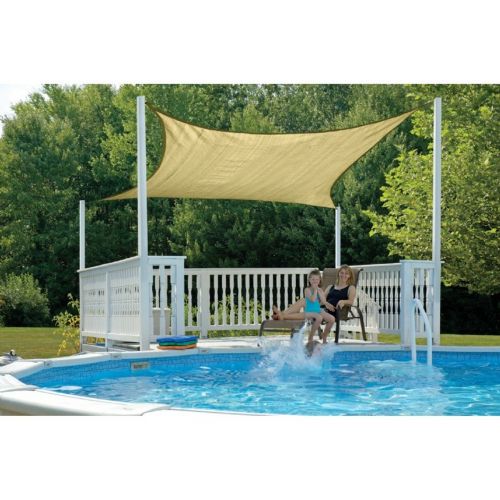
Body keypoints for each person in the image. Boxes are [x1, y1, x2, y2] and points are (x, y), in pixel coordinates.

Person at [272, 264, 357, 343]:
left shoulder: (351, 288)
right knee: (304, 301)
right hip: (322, 308)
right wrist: (318, 302)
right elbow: (322, 300)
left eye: (346, 273)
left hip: (334, 311)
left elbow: (351, 301)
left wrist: (343, 301)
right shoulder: (330, 287)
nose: (343, 275)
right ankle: (282, 314)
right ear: (338, 274)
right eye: (342, 273)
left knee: (307, 306)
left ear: (349, 276)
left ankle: (282, 314)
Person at [274, 269, 335, 346]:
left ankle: (324, 336)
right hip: (309, 311)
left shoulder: (320, 290)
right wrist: (315, 290)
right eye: (313, 279)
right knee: (319, 318)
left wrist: (328, 305)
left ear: (319, 280)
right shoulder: (307, 290)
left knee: (332, 319)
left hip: (318, 310)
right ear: (309, 280)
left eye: (317, 279)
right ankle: (310, 337)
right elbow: (312, 300)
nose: (315, 281)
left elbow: (323, 301)